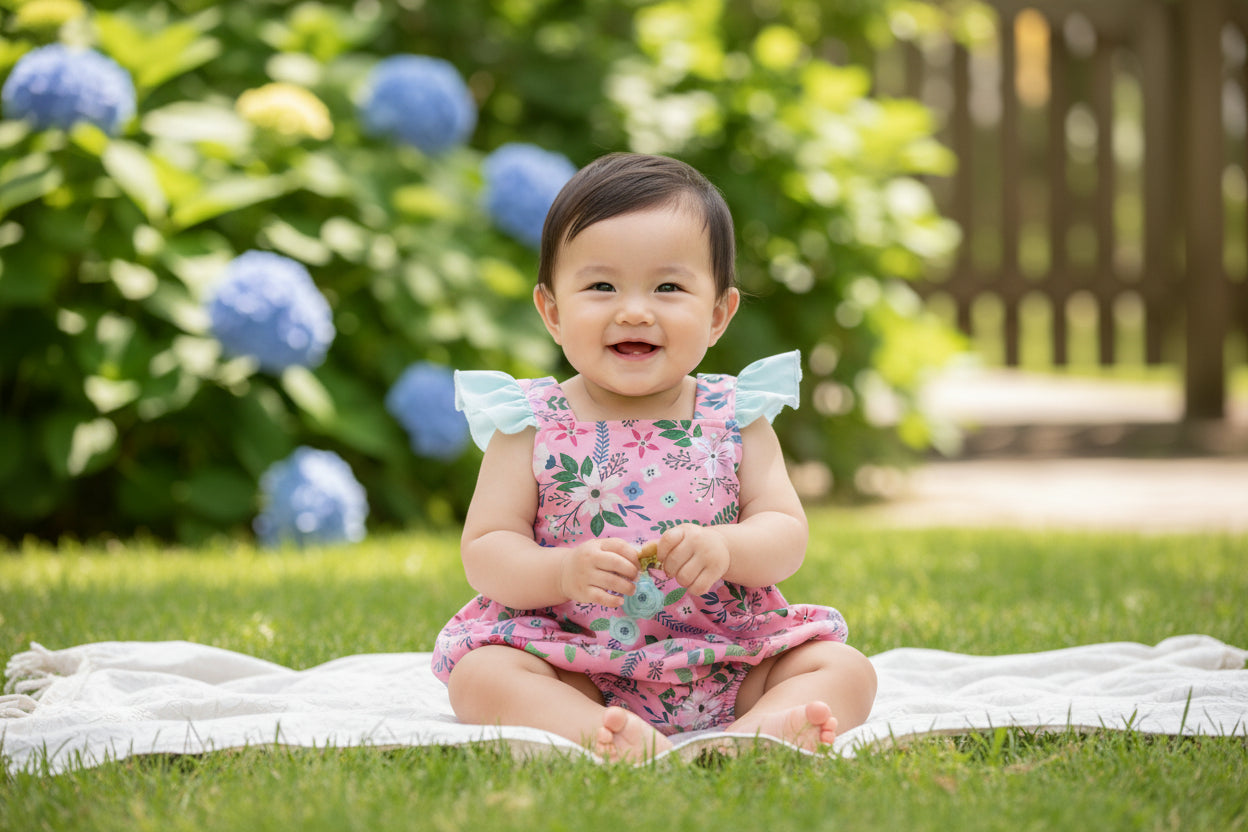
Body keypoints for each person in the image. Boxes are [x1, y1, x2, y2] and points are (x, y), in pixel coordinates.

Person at [431, 152, 877, 762]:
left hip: (727, 654)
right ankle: (595, 729)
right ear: (553, 312)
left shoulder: (734, 415)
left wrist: (728, 549)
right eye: (601, 286)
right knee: (481, 676)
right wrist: (562, 572)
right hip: (575, 659)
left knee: (843, 667)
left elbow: (786, 532)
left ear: (718, 314)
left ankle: (758, 730)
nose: (634, 310)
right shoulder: (529, 422)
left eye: (668, 287)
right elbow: (487, 550)